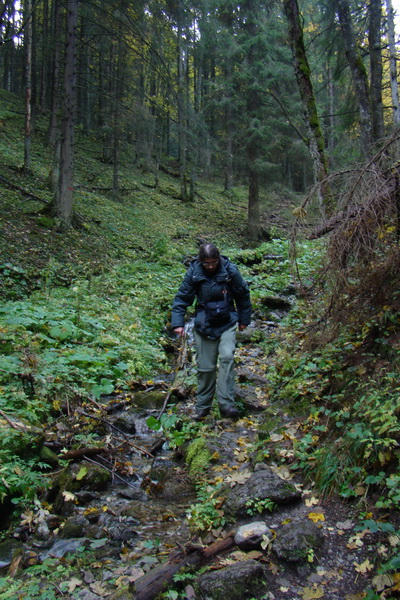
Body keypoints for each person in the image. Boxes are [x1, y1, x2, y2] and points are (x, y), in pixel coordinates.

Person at [171, 243, 252, 420]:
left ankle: (226, 405)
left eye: (213, 262)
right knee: (206, 368)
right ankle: (203, 408)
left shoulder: (230, 271)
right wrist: (177, 323)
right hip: (204, 323)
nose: (210, 266)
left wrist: (244, 319)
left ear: (218, 259)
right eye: (206, 263)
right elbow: (182, 298)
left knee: (227, 357)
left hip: (227, 320)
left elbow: (242, 294)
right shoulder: (194, 273)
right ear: (201, 261)